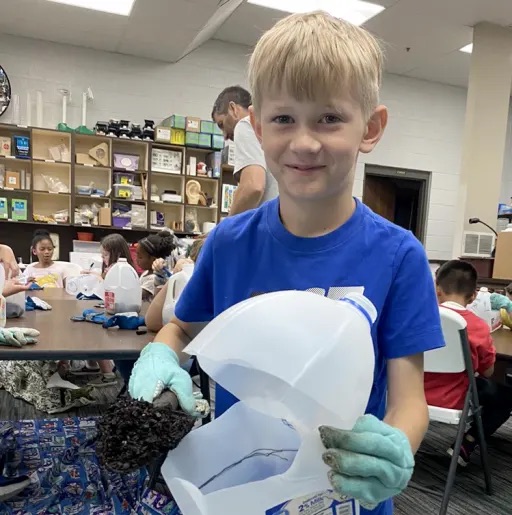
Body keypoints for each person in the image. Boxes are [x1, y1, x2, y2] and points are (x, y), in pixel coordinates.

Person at [128, 11, 444, 514]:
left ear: (371, 127)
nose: (303, 141)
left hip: (347, 494)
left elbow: (409, 399)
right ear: (256, 127)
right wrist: (162, 355)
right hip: (240, 488)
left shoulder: (398, 255)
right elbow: (185, 330)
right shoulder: (230, 243)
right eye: (283, 119)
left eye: (329, 118)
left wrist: (397, 446)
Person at [425, 260, 512, 466]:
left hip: (409, 394)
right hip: (453, 399)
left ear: (437, 290)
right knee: (506, 396)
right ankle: (467, 442)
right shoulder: (478, 328)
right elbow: (489, 371)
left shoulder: (420, 318)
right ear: (473, 296)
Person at [75, 233, 135, 387]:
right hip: (113, 309)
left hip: (120, 315)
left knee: (91, 328)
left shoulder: (120, 271)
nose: (103, 259)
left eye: (106, 255)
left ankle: (107, 373)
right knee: (86, 319)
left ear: (118, 254)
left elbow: (112, 292)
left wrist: (100, 278)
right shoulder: (114, 268)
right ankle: (93, 365)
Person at [212, 85, 278, 214]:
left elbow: (253, 186)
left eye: (222, 124)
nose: (225, 136)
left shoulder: (245, 125)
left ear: (233, 109)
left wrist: (227, 228)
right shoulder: (272, 126)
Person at [136, 230, 176, 301]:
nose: (136, 259)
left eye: (140, 257)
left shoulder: (153, 279)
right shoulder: (145, 273)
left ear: (153, 259)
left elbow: (137, 295)